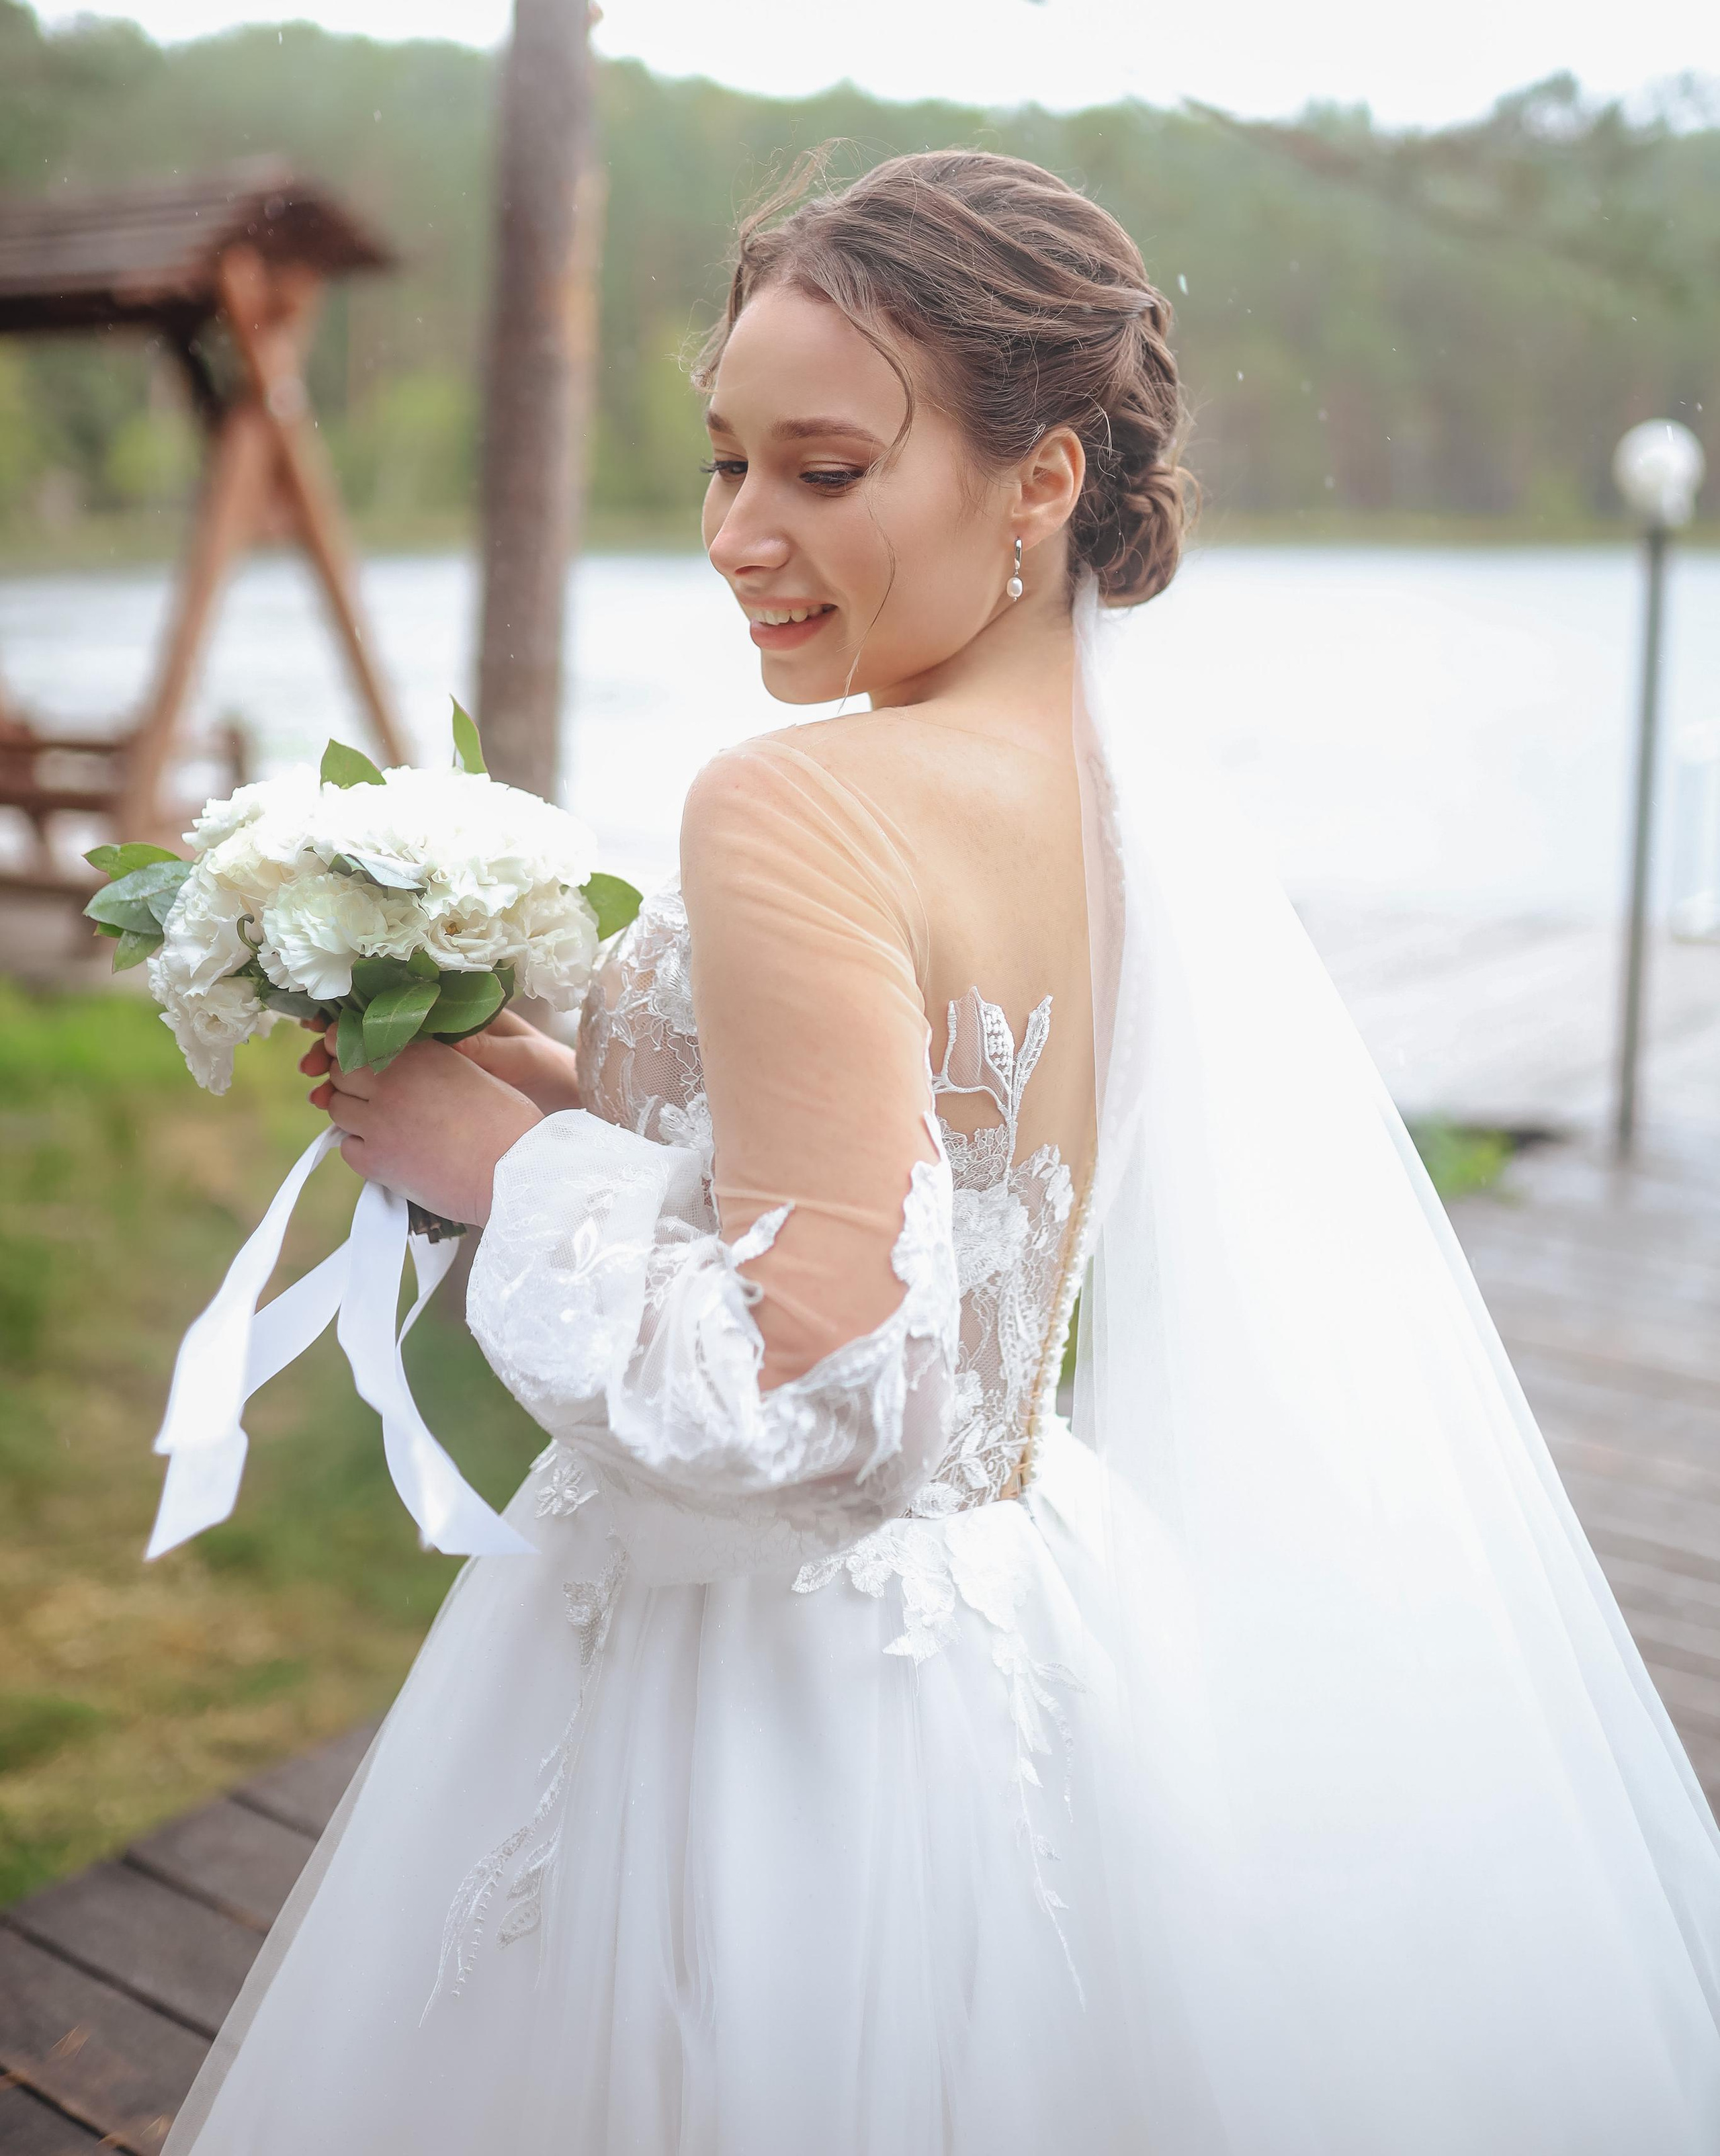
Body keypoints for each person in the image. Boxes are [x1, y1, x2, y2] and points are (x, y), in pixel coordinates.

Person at [165, 153, 1720, 2156]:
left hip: (774, 1708)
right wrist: (576, 1098)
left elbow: (822, 1390)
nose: (739, 534)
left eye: (823, 471)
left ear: (1046, 478)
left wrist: (505, 1177)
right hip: (1022, 1620)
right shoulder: (1122, 803)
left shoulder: (799, 806)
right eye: (725, 463)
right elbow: (928, 1211)